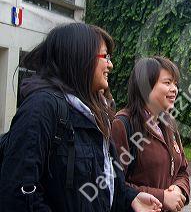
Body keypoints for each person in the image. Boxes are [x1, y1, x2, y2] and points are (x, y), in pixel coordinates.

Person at [0, 23, 162, 212]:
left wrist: (130, 198)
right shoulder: (42, 107)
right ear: (80, 57)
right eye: (105, 56)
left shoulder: (96, 114)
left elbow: (101, 183)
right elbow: (18, 194)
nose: (111, 64)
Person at [111, 56, 190, 212]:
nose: (174, 89)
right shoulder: (122, 125)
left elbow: (182, 170)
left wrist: (179, 189)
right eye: (167, 83)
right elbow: (113, 183)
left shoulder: (168, 123)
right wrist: (162, 197)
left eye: (175, 83)